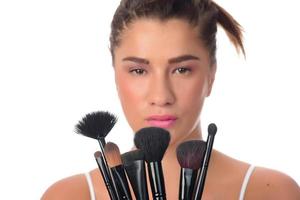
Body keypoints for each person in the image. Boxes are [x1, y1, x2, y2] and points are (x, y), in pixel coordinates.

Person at [42, 0, 300, 199]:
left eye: (182, 69)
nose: (161, 96)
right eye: (139, 71)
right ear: (115, 74)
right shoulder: (68, 195)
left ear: (211, 74)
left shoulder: (271, 192)